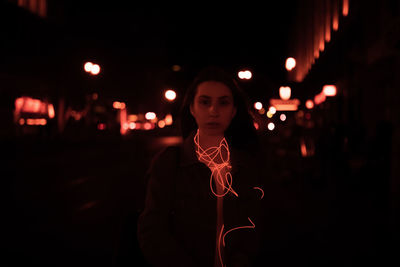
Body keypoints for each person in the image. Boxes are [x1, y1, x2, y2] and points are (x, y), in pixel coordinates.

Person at [137, 66, 265, 267]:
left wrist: (243, 258)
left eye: (223, 103)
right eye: (205, 102)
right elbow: (152, 231)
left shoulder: (246, 165)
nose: (213, 111)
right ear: (192, 108)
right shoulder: (170, 163)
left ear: (233, 111)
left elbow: (256, 229)